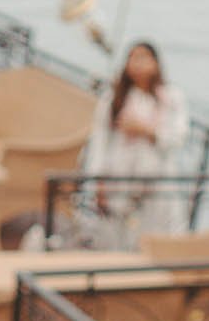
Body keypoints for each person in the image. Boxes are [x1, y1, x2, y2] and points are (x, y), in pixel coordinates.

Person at [80, 41, 191, 242]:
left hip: (158, 182)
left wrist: (146, 130)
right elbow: (100, 143)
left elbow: (178, 136)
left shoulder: (171, 97)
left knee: (157, 233)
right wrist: (98, 182)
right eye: (133, 58)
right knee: (116, 234)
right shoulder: (114, 99)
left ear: (155, 63)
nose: (138, 63)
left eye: (143, 57)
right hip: (120, 179)